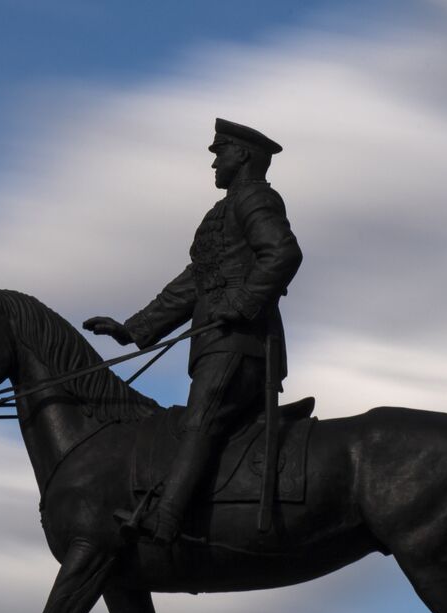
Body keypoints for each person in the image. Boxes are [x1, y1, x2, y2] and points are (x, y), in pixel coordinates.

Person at [84, 118, 302, 543]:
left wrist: (240, 304)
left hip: (240, 344)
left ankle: (166, 521)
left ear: (240, 155)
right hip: (218, 343)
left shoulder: (256, 198)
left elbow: (282, 253)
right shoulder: (224, 210)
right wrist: (133, 329)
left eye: (219, 153)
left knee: (199, 420)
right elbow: (193, 283)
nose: (214, 163)